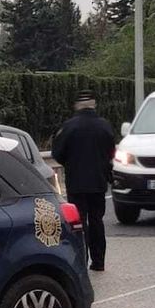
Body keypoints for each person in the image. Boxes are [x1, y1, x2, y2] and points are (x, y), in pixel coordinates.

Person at [52, 90, 117, 271]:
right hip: (98, 182)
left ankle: (82, 260)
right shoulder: (105, 126)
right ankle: (99, 261)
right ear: (94, 105)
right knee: (97, 221)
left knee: (79, 223)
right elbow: (111, 152)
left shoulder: (69, 127)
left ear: (77, 106)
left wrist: (71, 164)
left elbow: (57, 153)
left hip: (77, 182)